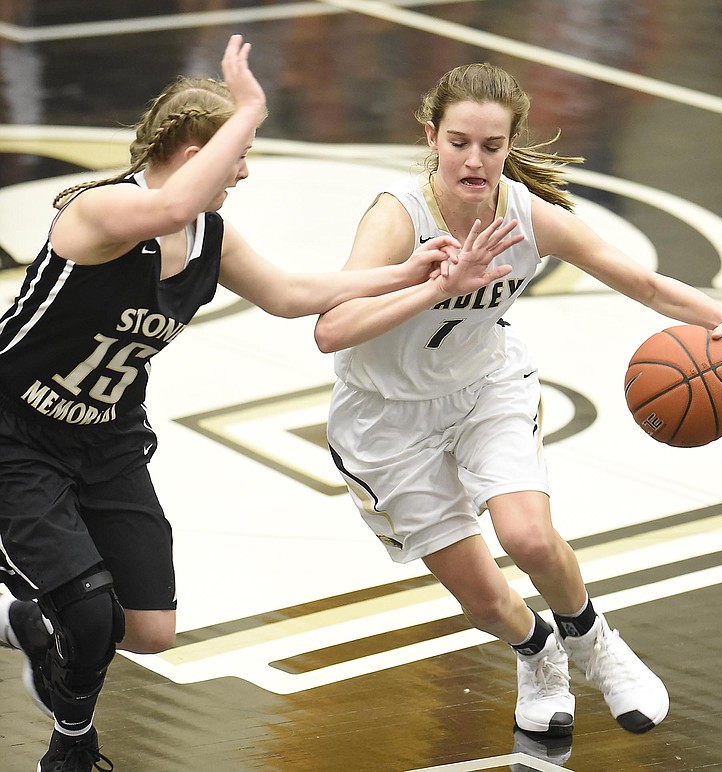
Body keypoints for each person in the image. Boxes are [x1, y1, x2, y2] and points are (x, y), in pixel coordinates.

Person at [0, 38, 520, 772]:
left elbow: (288, 297)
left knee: (148, 629)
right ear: (189, 150)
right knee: (87, 612)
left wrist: (419, 278)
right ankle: (72, 748)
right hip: (16, 428)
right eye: (235, 153)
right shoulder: (105, 209)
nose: (244, 171)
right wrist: (249, 104)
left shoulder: (208, 233)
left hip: (106, 437)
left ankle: (33, 627)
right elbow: (172, 201)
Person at [315, 62, 722, 738]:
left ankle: (596, 643)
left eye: (491, 147)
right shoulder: (397, 217)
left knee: (525, 534)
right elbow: (329, 329)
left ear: (510, 147)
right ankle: (538, 653)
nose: (474, 159)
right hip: (384, 418)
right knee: (485, 600)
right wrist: (437, 284)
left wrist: (721, 321)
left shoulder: (526, 217)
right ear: (432, 137)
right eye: (459, 142)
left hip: (484, 387)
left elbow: (641, 281)